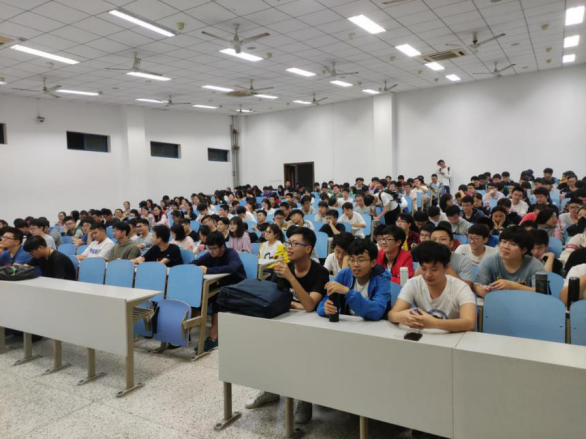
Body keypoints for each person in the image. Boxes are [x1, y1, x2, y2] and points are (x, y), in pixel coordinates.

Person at [246, 227, 328, 422]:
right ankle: (270, 390)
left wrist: (291, 278)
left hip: (311, 327)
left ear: (308, 249)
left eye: (294, 244)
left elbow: (309, 305)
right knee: (268, 347)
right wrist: (295, 303)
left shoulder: (320, 272)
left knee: (302, 357)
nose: (289, 247)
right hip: (285, 319)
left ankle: (304, 400)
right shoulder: (283, 267)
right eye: (288, 243)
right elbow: (275, 299)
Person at [388, 241, 476, 332]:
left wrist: (434, 323)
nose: (428, 274)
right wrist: (402, 317)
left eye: (434, 269)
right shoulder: (413, 283)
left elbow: (469, 323)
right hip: (425, 336)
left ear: (446, 267)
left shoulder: (461, 287)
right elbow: (392, 315)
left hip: (454, 337)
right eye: (423, 269)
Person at [192, 231, 246, 352]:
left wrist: (208, 270)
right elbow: (194, 263)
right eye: (209, 248)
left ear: (222, 247)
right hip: (220, 285)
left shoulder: (231, 253)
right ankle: (187, 330)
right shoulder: (210, 255)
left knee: (218, 298)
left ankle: (214, 337)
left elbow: (231, 268)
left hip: (237, 288)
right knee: (199, 296)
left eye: (214, 248)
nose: (211, 251)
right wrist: (195, 267)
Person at [318, 238, 391, 320]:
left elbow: (377, 312)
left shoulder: (382, 279)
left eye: (361, 260)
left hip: (374, 326)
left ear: (373, 263)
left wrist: (347, 292)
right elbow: (323, 303)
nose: (355, 264)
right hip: (348, 324)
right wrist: (326, 308)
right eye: (352, 260)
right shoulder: (344, 274)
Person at [473, 226, 545, 296]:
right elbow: (477, 285)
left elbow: (543, 292)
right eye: (504, 242)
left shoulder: (536, 265)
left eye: (513, 244)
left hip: (526, 302)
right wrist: (481, 290)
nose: (506, 247)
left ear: (523, 250)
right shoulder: (489, 260)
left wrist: (512, 286)